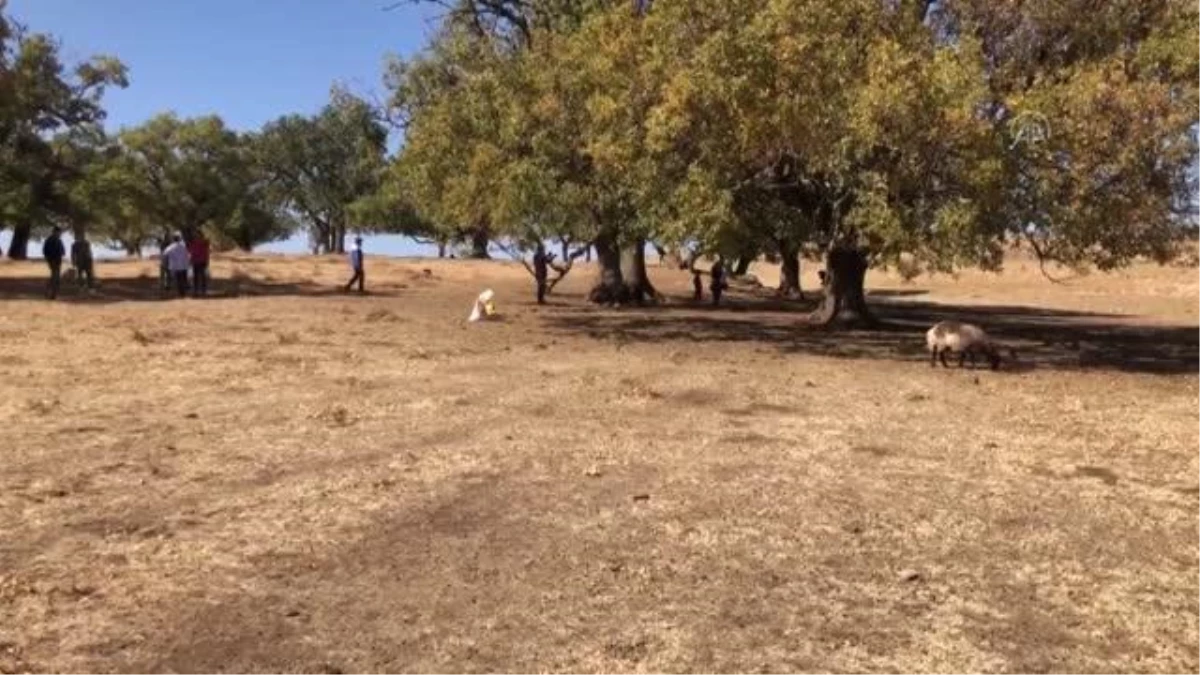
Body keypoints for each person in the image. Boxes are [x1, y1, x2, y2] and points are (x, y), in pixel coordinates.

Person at [163, 233, 191, 298]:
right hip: (184, 265)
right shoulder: (183, 246)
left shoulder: (170, 247)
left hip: (174, 266)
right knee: (183, 279)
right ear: (179, 239)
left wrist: (166, 263)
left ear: (173, 239)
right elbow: (188, 254)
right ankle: (183, 292)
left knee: (178, 280)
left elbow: (165, 254)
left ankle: (181, 293)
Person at [42, 226, 66, 300]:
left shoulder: (59, 240)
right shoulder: (49, 240)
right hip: (52, 260)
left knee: (56, 277)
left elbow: (63, 251)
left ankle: (52, 294)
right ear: (54, 232)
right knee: (55, 276)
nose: (59, 234)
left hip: (58, 260)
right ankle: (50, 293)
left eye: (60, 233)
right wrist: (49, 259)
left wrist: (61, 254)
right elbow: (45, 251)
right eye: (58, 232)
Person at [187, 231, 211, 297]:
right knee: (197, 277)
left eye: (197, 235)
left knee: (201, 277)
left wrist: (207, 261)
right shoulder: (201, 242)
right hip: (197, 261)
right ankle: (197, 291)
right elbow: (191, 252)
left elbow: (207, 252)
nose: (197, 236)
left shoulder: (204, 243)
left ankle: (200, 291)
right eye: (196, 235)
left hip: (201, 261)